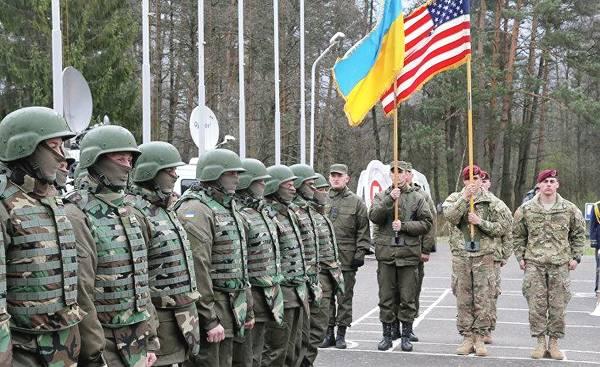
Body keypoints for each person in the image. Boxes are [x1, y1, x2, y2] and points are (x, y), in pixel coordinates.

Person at [64, 125, 159, 366]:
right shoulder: (76, 214)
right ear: (95, 161)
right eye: (120, 158)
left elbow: (141, 279)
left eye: (130, 159)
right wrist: (94, 353)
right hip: (104, 343)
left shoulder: (129, 211)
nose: (127, 166)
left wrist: (149, 338)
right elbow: (80, 292)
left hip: (137, 340)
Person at [0, 107, 85, 366]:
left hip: (64, 348)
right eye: (54, 145)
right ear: (25, 147)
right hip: (23, 352)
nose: (63, 156)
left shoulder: (52, 201)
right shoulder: (5, 205)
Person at [174, 149, 250, 367]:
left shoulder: (227, 206)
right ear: (214, 175)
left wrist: (247, 309)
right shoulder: (196, 209)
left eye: (237, 173)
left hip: (231, 307)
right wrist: (209, 318)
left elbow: (242, 264)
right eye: (230, 173)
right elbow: (198, 267)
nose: (236, 178)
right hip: (211, 307)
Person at [128, 142, 201, 365]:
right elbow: (137, 279)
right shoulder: (136, 212)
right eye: (169, 170)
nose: (175, 175)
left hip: (180, 317)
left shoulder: (166, 209)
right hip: (157, 320)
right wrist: (149, 333)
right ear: (150, 172)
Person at [513, 169, 586, 360]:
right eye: (545, 181)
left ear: (557, 185)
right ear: (538, 185)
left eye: (552, 181)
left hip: (560, 264)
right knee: (536, 305)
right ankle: (539, 342)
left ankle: (554, 343)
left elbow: (578, 234)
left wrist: (576, 257)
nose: (548, 185)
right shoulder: (526, 209)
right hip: (534, 264)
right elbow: (518, 235)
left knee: (558, 306)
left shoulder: (569, 209)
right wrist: (520, 256)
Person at [442, 165, 511, 357]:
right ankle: (467, 337)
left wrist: (481, 223)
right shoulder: (454, 199)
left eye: (477, 178)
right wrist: (465, 199)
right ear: (464, 181)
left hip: (484, 257)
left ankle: (480, 338)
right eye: (469, 179)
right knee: (463, 298)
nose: (473, 182)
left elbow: (505, 226)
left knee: (484, 297)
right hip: (462, 257)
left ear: (482, 180)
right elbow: (450, 217)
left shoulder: (493, 202)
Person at [368, 161, 432, 352]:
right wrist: (390, 201)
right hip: (387, 254)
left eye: (400, 172)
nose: (396, 176)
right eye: (393, 172)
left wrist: (404, 226)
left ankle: (406, 334)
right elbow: (374, 216)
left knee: (407, 297)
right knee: (386, 297)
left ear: (408, 175)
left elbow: (427, 222)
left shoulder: (417, 197)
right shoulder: (382, 196)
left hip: (408, 255)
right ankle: (387, 334)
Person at [232, 158, 284, 367]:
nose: (264, 185)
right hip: (249, 295)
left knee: (258, 353)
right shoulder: (240, 215)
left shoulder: (260, 212)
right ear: (248, 182)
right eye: (260, 181)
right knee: (246, 356)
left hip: (266, 294)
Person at [261, 165, 308, 367]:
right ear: (274, 187)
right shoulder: (267, 216)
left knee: (294, 347)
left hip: (296, 290)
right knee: (276, 351)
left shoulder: (289, 214)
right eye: (288, 184)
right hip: (280, 293)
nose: (293, 188)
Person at [321, 164, 370, 349]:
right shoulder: (322, 200)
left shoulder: (356, 202)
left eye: (339, 176)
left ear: (347, 178)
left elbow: (363, 231)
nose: (335, 178)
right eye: (333, 175)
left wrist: (360, 253)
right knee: (326, 298)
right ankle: (328, 333)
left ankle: (341, 333)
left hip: (346, 259)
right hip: (324, 259)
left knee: (344, 298)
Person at [303, 173, 344, 366]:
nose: (325, 193)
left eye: (326, 189)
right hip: (315, 280)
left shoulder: (319, 214)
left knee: (317, 331)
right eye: (321, 189)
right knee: (312, 332)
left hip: (327, 279)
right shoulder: (302, 215)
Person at [289, 164, 321, 365]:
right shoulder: (293, 212)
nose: (315, 189)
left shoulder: (307, 210)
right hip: (294, 284)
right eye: (310, 184)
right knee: (293, 343)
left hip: (307, 281)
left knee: (306, 337)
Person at [404, 164, 436, 343]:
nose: (402, 176)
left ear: (410, 174)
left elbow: (430, 224)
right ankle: (393, 326)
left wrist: (425, 249)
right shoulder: (389, 194)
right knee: (393, 292)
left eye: (405, 172)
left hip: (415, 250)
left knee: (413, 289)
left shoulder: (421, 195)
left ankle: (409, 325)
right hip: (395, 251)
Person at [480, 170, 512, 344]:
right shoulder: (470, 203)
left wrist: (505, 254)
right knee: (474, 294)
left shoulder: (497, 204)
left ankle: (487, 329)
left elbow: (508, 230)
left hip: (493, 256)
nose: (482, 183)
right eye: (479, 180)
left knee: (491, 293)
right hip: (473, 256)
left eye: (485, 180)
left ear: (489, 183)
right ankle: (473, 329)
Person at [590, 201, 600, 297]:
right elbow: (593, 225)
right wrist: (594, 242)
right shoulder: (597, 206)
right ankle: (598, 289)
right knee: (599, 267)